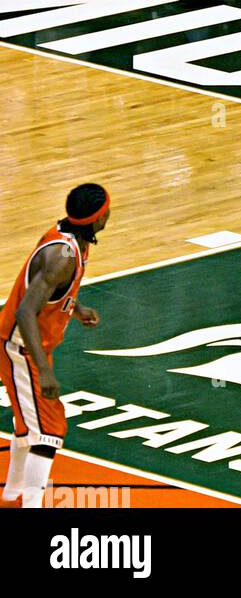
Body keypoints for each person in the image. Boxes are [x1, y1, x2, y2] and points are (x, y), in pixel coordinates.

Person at [0, 183, 110, 508]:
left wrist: (75, 308)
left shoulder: (70, 238)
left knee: (30, 425)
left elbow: (48, 291)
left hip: (26, 345)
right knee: (49, 429)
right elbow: (25, 311)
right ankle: (31, 504)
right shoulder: (63, 256)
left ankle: (11, 495)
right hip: (21, 348)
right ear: (98, 218)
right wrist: (44, 371)